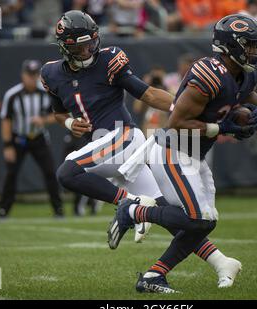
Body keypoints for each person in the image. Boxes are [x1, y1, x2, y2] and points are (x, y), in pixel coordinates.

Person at [109, 14, 257, 293]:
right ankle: (134, 211)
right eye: (249, 45)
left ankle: (153, 276)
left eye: (255, 45)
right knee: (198, 218)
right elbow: (177, 122)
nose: (254, 52)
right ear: (230, 46)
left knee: (204, 223)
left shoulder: (244, 75)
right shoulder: (208, 74)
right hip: (172, 152)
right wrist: (222, 127)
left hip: (194, 155)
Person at [41, 10, 173, 242]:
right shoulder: (51, 73)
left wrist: (184, 107)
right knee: (166, 213)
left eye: (90, 44)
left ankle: (131, 204)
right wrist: (70, 122)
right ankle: (220, 261)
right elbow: (59, 113)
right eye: (79, 47)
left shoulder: (109, 60)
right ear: (64, 48)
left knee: (67, 172)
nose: (87, 51)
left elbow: (149, 95)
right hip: (110, 150)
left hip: (124, 138)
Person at [0, 60, 63, 219]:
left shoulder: (46, 93)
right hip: (18, 138)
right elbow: (6, 120)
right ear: (23, 75)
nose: (32, 78)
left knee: (50, 172)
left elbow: (58, 115)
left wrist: (44, 120)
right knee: (11, 174)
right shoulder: (12, 95)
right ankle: (3, 210)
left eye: (35, 75)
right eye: (29, 75)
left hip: (39, 138)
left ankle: (58, 209)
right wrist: (7, 145)